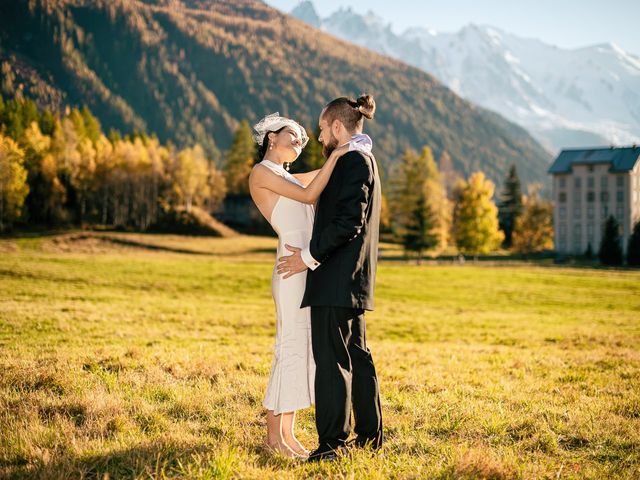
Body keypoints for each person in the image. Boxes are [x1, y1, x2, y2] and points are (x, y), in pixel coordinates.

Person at [276, 95, 383, 462]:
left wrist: (306, 258)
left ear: (338, 127)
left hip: (336, 279)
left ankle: (332, 446)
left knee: (333, 362)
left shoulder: (354, 161)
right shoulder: (360, 159)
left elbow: (348, 224)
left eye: (322, 130)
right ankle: (369, 439)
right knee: (357, 357)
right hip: (350, 280)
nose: (320, 138)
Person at [248, 112, 353, 458]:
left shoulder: (283, 176)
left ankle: (287, 434)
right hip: (291, 271)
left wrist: (344, 159)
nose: (300, 141)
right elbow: (310, 195)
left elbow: (313, 182)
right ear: (271, 138)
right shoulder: (262, 172)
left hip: (303, 267)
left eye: (303, 137)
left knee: (299, 349)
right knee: (290, 348)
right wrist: (337, 154)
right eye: (293, 135)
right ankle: (273, 438)